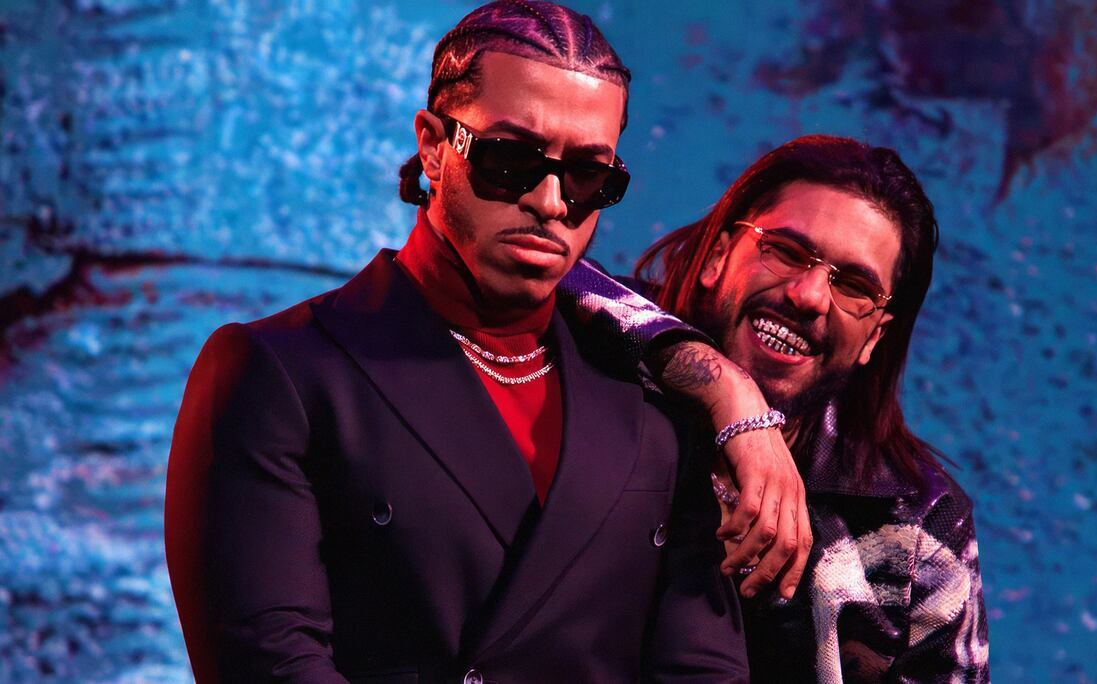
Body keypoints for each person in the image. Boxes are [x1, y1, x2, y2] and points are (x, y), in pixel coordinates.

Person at [164, 2, 811, 681]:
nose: (552, 202)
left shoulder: (654, 399)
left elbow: (701, 670)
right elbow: (271, 664)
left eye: (588, 175)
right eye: (510, 159)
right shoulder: (280, 373)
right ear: (433, 146)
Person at [563, 135, 989, 682]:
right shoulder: (599, 338)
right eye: (786, 251)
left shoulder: (920, 528)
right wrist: (727, 393)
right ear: (718, 255)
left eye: (853, 285)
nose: (808, 295)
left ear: (874, 337)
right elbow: (542, 272)